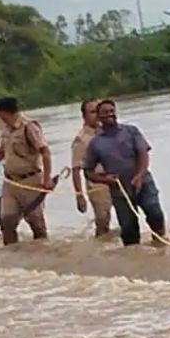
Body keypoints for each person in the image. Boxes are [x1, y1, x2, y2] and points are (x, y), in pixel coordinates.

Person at [81, 99, 167, 247]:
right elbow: (88, 172)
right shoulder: (95, 143)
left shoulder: (131, 131)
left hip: (143, 184)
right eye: (105, 112)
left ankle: (161, 246)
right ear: (99, 117)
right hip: (120, 192)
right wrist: (106, 179)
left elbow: (143, 154)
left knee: (155, 214)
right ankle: (135, 260)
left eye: (111, 111)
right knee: (129, 231)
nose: (110, 114)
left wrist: (139, 175)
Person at [0, 96, 54, 245]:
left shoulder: (29, 127)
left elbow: (45, 152)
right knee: (7, 220)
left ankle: (43, 252)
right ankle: (11, 254)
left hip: (30, 181)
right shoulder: (5, 131)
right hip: (10, 182)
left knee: (36, 221)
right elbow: (1, 154)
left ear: (4, 112)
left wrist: (47, 178)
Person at [71, 98, 112, 237]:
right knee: (103, 220)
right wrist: (79, 195)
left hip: (116, 180)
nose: (97, 115)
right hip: (97, 185)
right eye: (93, 112)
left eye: (98, 111)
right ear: (84, 116)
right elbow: (76, 169)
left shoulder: (108, 131)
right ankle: (101, 247)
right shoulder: (81, 140)